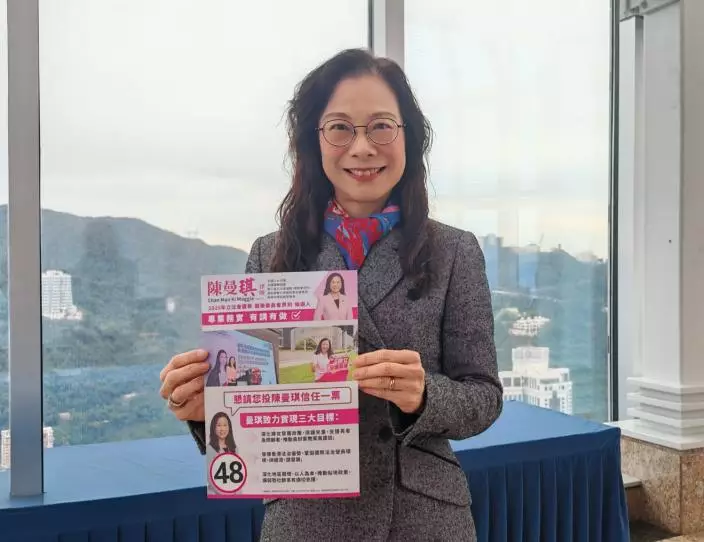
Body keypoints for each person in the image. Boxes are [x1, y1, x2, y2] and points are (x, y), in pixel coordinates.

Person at [159, 48, 502, 541]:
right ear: (313, 142)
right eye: (340, 127)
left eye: (381, 126)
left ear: (409, 137)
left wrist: (424, 395)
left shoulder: (453, 251)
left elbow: (484, 397)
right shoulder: (270, 254)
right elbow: (253, 407)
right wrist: (205, 408)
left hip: (422, 518)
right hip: (305, 519)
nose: (362, 147)